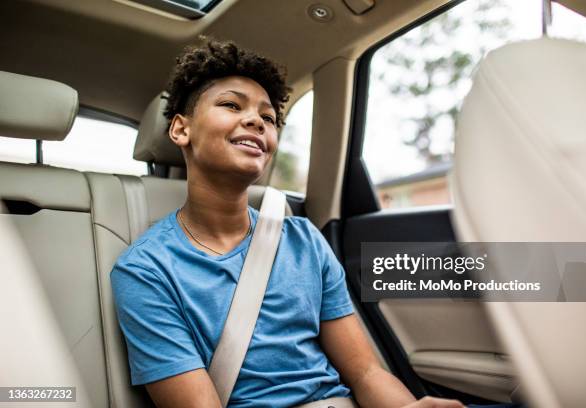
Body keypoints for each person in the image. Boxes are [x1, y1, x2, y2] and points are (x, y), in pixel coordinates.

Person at [111, 36, 469, 408]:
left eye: (268, 118)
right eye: (231, 105)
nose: (255, 121)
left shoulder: (303, 239)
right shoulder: (145, 270)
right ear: (181, 130)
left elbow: (365, 372)